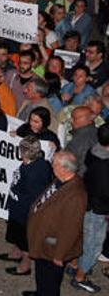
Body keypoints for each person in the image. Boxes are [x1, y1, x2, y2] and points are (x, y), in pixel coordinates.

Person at [23, 150, 87, 296]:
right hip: (43, 243)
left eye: (54, 164)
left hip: (53, 248)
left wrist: (59, 255)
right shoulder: (60, 180)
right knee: (41, 275)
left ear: (64, 169)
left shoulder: (76, 196)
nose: (51, 166)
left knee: (50, 281)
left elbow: (71, 230)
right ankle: (40, 293)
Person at [1, 136, 52, 277]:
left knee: (25, 240)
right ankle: (16, 253)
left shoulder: (35, 171)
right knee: (16, 233)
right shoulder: (35, 164)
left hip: (25, 213)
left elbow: (35, 197)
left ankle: (25, 266)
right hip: (17, 208)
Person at [70, 123, 109, 292]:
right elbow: (104, 193)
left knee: (84, 238)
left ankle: (75, 264)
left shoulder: (93, 151)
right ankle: (80, 277)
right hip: (96, 210)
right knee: (93, 246)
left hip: (87, 203)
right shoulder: (104, 167)